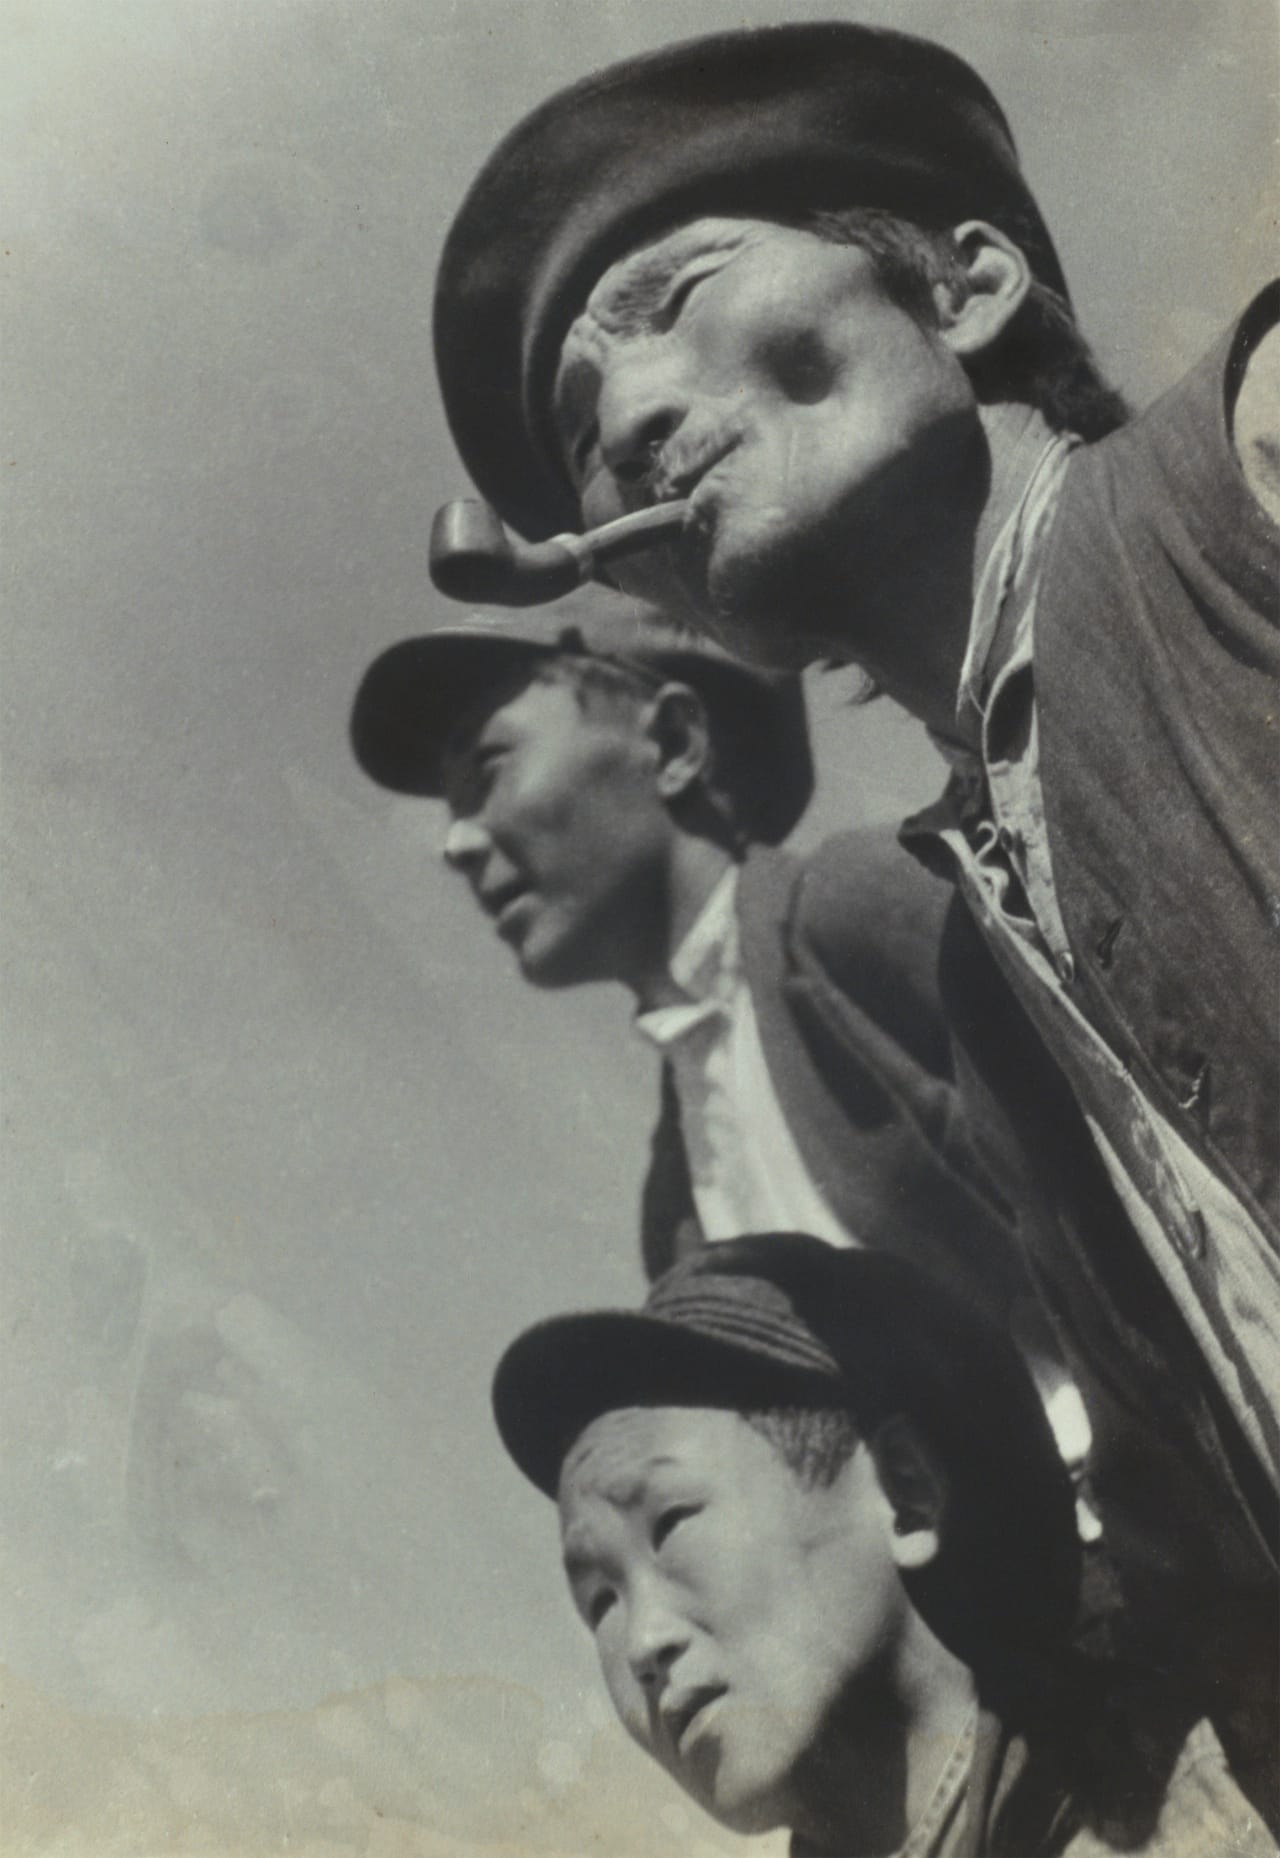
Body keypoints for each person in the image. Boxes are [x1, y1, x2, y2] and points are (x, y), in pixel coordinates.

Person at [426, 21, 1279, 1801]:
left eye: (676, 296)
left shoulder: (1243, 477)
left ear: (966, 287)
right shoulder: (991, 940)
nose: (628, 416)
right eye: (584, 432)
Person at [349, 600, 1038, 1331]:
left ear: (674, 743)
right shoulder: (675, 1206)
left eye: (486, 770)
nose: (453, 843)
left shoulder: (849, 913)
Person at [491, 1233, 1275, 1858]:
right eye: (598, 1600)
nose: (642, 1642)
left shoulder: (1230, 1784)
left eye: (669, 1523)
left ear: (906, 1491)